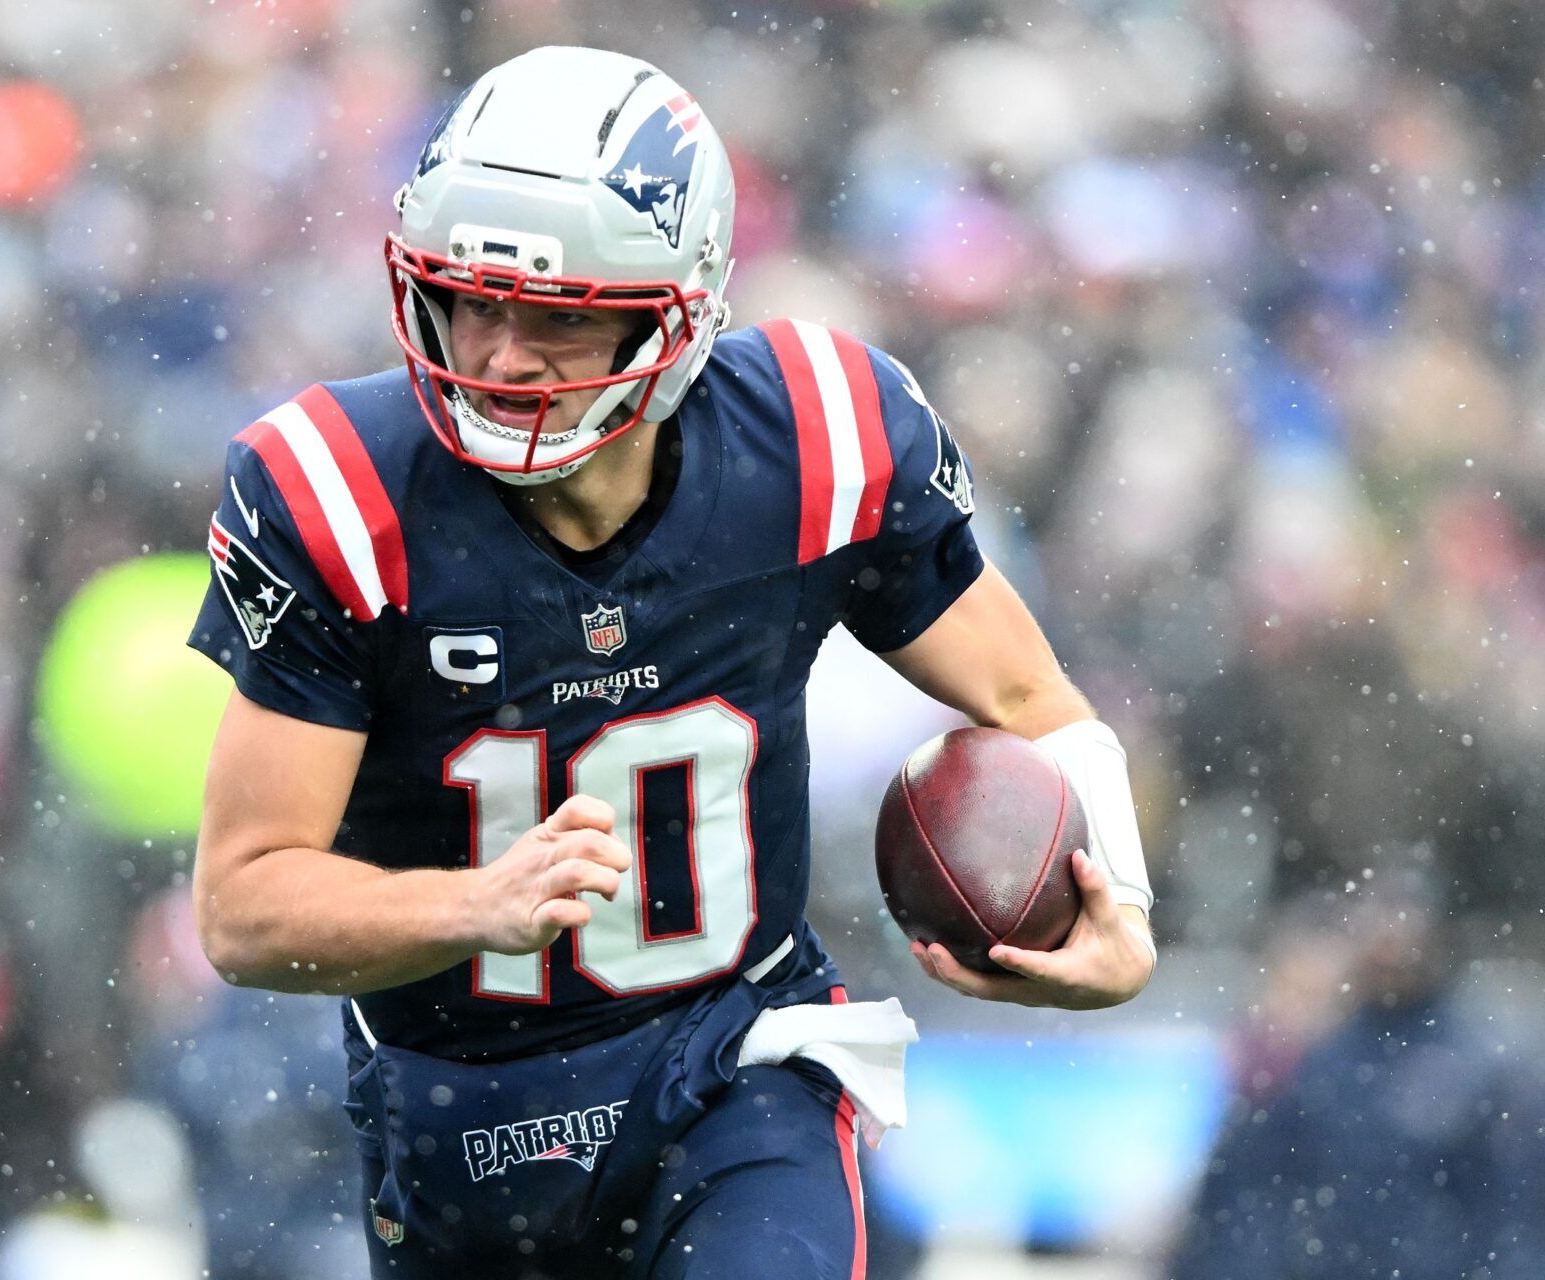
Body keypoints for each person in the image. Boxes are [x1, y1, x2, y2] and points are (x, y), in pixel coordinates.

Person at [188, 45, 1156, 1280]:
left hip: (733, 1064)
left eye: (557, 315)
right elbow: (243, 904)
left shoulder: (813, 440)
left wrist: (1117, 902)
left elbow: (1028, 696)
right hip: (459, 1120)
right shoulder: (338, 495)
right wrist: (471, 904)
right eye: (471, 297)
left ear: (677, 310)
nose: (497, 355)